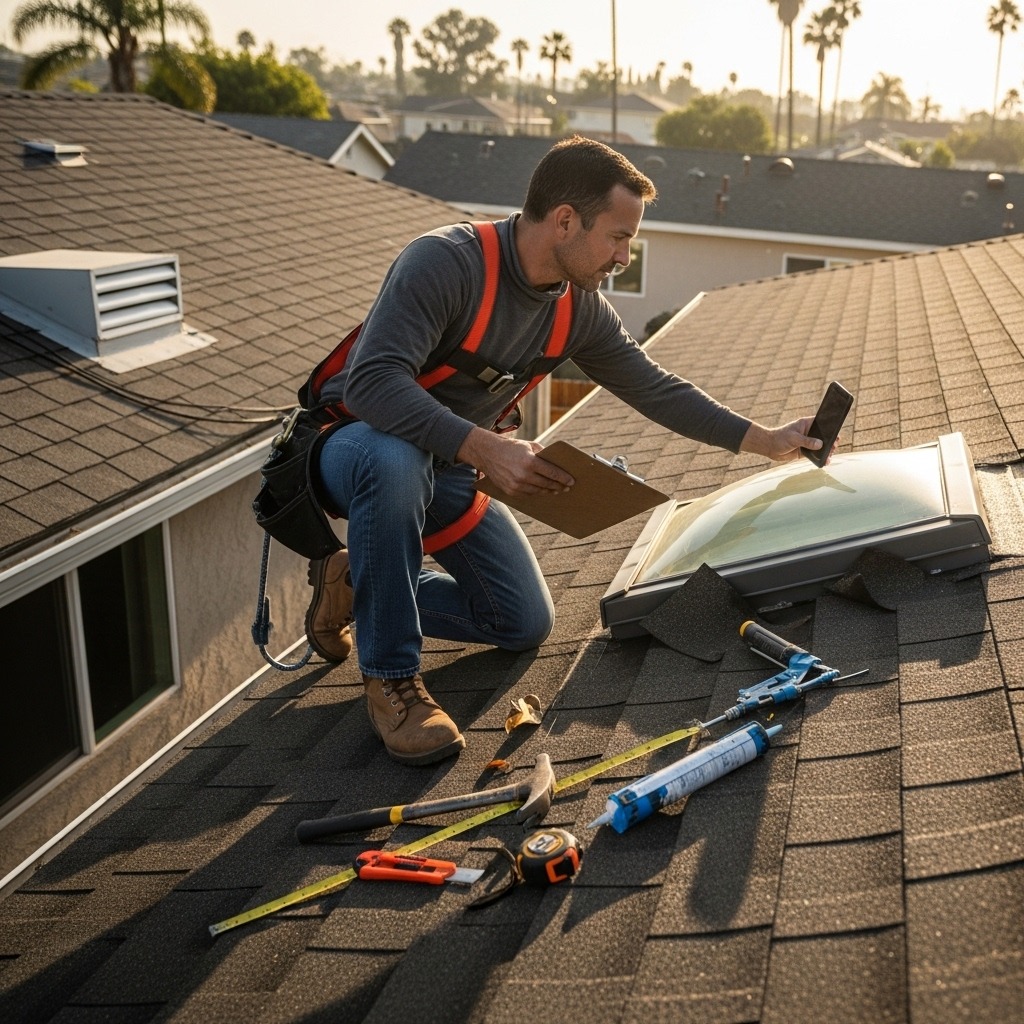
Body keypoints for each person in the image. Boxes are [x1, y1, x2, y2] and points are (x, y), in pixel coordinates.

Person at [304, 135, 823, 766]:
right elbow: (373, 383)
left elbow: (654, 388)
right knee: (395, 458)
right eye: (617, 237)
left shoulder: (577, 308)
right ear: (566, 220)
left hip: (448, 469)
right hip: (351, 450)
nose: (624, 258)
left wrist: (764, 440)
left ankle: (358, 579)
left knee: (520, 622)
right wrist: (486, 450)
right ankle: (392, 679)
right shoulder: (444, 264)